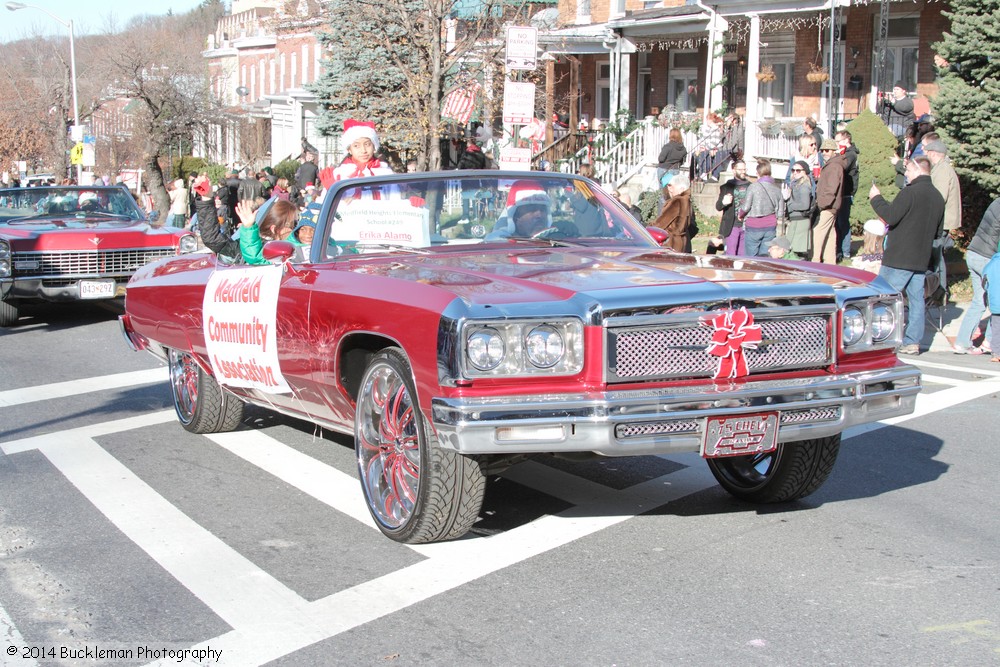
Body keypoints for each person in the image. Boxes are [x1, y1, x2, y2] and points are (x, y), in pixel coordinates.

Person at [869, 156, 944, 355]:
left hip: (899, 257)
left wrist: (876, 198)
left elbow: (890, 215)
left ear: (918, 170)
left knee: (882, 297)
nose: (907, 175)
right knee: (916, 300)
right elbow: (938, 232)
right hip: (921, 258)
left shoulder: (909, 193)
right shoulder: (937, 197)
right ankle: (912, 341)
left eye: (908, 171)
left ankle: (878, 336)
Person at [954, 198, 1000, 354]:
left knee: (979, 302)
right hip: (988, 258)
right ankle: (990, 343)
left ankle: (962, 342)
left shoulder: (996, 202)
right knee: (997, 302)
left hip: (974, 253)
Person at [738, 159, 784, 257]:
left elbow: (745, 207)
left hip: (754, 226)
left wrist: (740, 214)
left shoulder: (753, 187)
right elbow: (780, 213)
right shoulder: (777, 189)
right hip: (770, 227)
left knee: (751, 258)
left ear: (758, 173)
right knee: (765, 257)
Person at [812, 139, 847, 264]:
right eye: (822, 150)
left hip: (828, 205)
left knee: (818, 231)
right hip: (830, 205)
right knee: (830, 234)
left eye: (827, 150)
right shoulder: (833, 165)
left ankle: (815, 260)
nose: (824, 153)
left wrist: (822, 204)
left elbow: (832, 188)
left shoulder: (834, 166)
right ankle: (830, 261)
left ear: (834, 151)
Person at [651, 172, 694, 252]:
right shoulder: (687, 201)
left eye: (672, 187)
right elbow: (692, 226)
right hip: (683, 242)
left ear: (681, 189)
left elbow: (661, 223)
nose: (670, 190)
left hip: (671, 243)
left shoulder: (677, 201)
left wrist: (645, 229)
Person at [834, 129, 860, 261]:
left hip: (846, 193)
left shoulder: (850, 154)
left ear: (846, 141)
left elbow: (843, 166)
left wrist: (837, 157)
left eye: (838, 141)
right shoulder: (847, 153)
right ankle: (839, 249)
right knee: (839, 223)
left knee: (842, 223)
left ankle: (845, 252)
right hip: (843, 192)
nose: (836, 144)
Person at [716, 159, 751, 255]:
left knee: (743, 256)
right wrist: (724, 202)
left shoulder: (751, 186)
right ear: (733, 170)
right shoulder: (727, 186)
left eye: (744, 169)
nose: (743, 172)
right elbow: (718, 206)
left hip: (747, 225)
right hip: (732, 226)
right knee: (730, 254)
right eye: (740, 169)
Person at [783, 160, 814, 259]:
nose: (795, 172)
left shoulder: (804, 186)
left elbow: (805, 205)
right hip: (796, 219)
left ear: (805, 172)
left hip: (801, 221)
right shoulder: (795, 184)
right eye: (793, 170)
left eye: (798, 170)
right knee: (793, 248)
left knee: (797, 250)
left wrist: (789, 203)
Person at [695, 112, 724, 181]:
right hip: (708, 148)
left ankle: (704, 172)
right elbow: (704, 139)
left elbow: (715, 141)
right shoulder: (709, 128)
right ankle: (700, 172)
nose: (707, 121)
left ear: (711, 120)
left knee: (705, 154)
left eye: (707, 119)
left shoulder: (715, 128)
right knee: (697, 155)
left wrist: (708, 148)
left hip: (715, 149)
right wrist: (702, 147)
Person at [984, 248, 1000, 363]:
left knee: (996, 329)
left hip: (996, 303)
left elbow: (984, 281)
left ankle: (996, 353)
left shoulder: (992, 263)